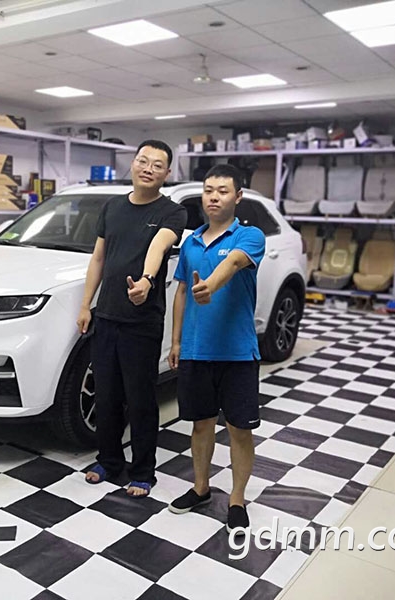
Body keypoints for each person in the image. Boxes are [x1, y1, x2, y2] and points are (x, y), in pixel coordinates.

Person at [78, 140, 187, 498]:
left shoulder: (173, 212)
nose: (148, 168)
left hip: (142, 322)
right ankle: (108, 461)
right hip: (106, 316)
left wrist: (147, 280)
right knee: (106, 397)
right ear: (133, 164)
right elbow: (98, 258)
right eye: (143, 161)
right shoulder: (112, 207)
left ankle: (142, 471)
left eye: (157, 165)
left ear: (166, 173)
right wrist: (85, 305)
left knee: (140, 400)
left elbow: (159, 245)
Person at [166, 163, 265, 533]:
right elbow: (181, 292)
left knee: (239, 429)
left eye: (223, 191)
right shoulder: (191, 241)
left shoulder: (250, 236)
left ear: (237, 197)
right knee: (200, 425)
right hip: (196, 351)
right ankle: (201, 488)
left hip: (238, 353)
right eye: (208, 190)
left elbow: (236, 262)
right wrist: (177, 341)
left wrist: (210, 284)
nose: (214, 197)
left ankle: (237, 499)